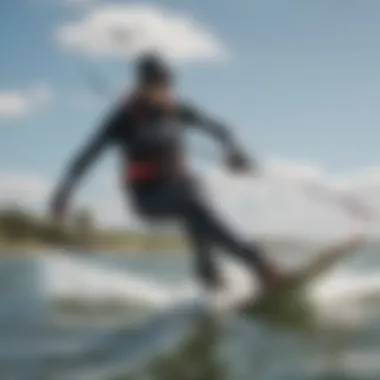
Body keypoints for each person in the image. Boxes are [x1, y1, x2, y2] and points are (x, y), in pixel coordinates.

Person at [50, 52, 282, 292]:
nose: (162, 88)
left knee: (195, 193)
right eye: (154, 83)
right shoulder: (125, 118)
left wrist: (234, 152)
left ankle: (210, 278)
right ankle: (259, 265)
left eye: (165, 83)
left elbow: (221, 130)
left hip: (181, 189)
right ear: (141, 84)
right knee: (193, 203)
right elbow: (88, 154)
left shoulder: (178, 110)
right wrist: (63, 193)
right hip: (148, 198)